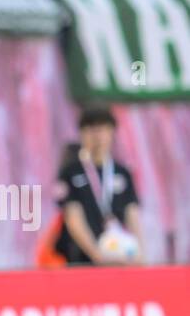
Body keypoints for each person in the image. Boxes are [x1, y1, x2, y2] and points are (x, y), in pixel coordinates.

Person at [53, 106, 144, 265]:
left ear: (112, 132)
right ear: (82, 133)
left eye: (103, 128)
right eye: (91, 129)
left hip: (119, 257)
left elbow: (132, 215)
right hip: (81, 260)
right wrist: (98, 257)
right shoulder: (71, 172)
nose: (97, 135)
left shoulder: (122, 172)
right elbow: (73, 218)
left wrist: (140, 254)